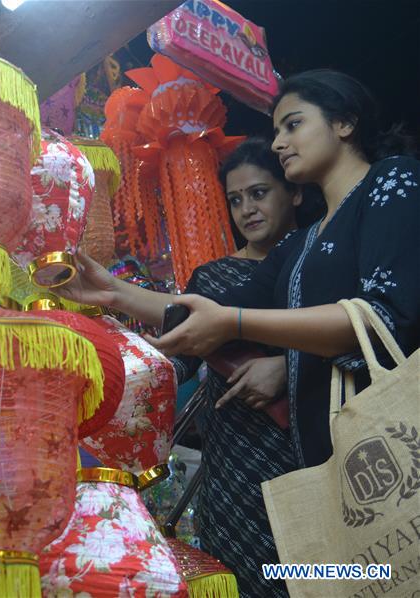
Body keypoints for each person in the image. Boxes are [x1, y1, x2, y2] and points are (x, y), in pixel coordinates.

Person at [56, 69, 420, 473]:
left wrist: (237, 324)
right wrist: (112, 291)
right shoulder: (298, 245)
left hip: (394, 444)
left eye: (294, 124)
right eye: (278, 130)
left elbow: (383, 317)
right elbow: (211, 308)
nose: (280, 142)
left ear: (344, 122)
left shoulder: (391, 179)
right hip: (329, 457)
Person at [164, 137, 317, 597]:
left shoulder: (318, 264)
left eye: (258, 193)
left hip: (306, 458)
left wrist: (286, 366)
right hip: (232, 465)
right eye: (235, 199)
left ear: (293, 191)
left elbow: (351, 338)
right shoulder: (211, 279)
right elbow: (180, 356)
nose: (246, 209)